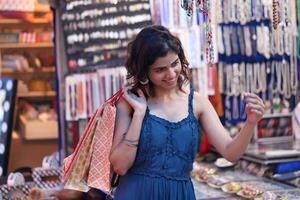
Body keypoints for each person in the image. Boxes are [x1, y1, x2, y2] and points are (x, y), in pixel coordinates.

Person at [109, 25, 265, 200]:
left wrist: (250, 122)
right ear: (144, 71)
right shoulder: (129, 104)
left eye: (174, 64)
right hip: (136, 194)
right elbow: (120, 166)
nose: (170, 74)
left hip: (180, 194)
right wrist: (139, 114)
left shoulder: (198, 102)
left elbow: (231, 153)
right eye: (160, 70)